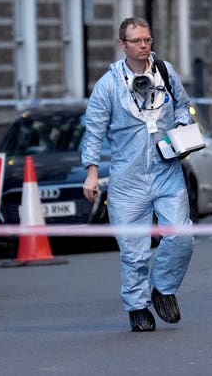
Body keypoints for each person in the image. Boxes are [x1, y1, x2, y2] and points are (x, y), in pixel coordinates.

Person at [81, 17, 195, 332]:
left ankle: (163, 289)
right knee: (134, 251)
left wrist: (182, 126)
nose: (144, 45)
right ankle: (137, 307)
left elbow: (183, 107)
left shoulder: (166, 72)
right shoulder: (108, 85)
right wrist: (91, 173)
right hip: (127, 179)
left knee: (181, 236)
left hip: (167, 170)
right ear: (123, 45)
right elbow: (93, 132)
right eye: (137, 41)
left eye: (147, 39)